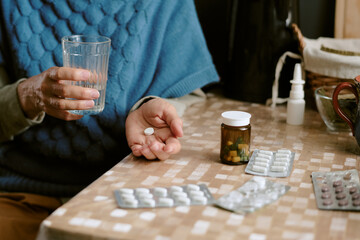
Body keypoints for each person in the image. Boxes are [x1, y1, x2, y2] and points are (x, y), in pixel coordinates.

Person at [0, 0, 219, 239]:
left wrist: (146, 107)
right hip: (23, 192)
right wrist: (26, 96)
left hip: (130, 190)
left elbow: (190, 96)